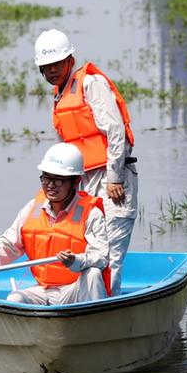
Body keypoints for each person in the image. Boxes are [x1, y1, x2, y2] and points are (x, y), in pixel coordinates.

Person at [32, 28, 138, 295]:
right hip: (82, 181)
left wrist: (115, 177)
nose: (52, 71)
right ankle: (79, 304)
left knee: (111, 252)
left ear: (69, 60)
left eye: (56, 64)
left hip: (111, 177)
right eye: (46, 67)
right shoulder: (60, 96)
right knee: (86, 247)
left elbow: (115, 130)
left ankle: (105, 311)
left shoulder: (91, 84)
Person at [0, 143, 109, 305]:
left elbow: (101, 257)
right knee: (15, 298)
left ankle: (94, 323)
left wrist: (75, 261)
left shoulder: (91, 213)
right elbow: (8, 243)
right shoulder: (33, 208)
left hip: (75, 289)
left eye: (58, 180)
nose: (50, 185)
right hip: (42, 290)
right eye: (46, 178)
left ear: (76, 181)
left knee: (93, 273)